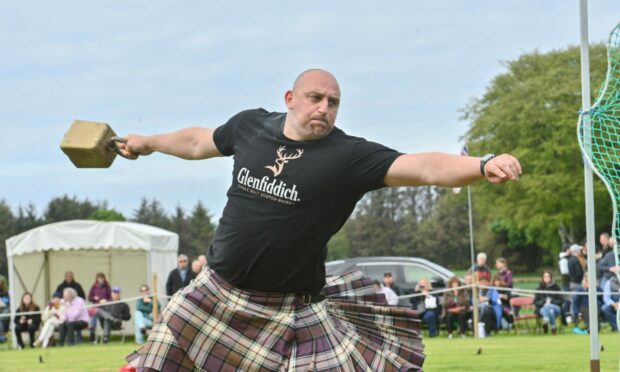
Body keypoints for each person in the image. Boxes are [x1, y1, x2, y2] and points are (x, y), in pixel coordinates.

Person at [119, 69, 521, 370]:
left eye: (333, 103)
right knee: (155, 363)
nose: (324, 109)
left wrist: (482, 164)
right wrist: (148, 143)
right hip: (215, 292)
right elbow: (196, 141)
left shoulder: (348, 157)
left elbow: (425, 167)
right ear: (290, 97)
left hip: (290, 308)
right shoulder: (251, 126)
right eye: (315, 98)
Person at [533, 270, 564, 335]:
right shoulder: (539, 289)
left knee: (548, 306)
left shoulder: (556, 288)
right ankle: (553, 329)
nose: (546, 278)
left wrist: (551, 302)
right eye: (545, 277)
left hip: (556, 308)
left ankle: (546, 319)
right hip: (542, 309)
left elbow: (561, 300)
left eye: (548, 276)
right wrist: (544, 302)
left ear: (551, 278)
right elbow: (535, 302)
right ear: (542, 278)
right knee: (550, 311)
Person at [88, 272, 112, 342]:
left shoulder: (107, 287)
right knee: (93, 320)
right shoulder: (93, 287)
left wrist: (106, 300)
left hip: (104, 308)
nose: (100, 280)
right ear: (97, 279)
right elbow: (89, 297)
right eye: (99, 278)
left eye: (102, 278)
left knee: (105, 320)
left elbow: (111, 298)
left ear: (104, 279)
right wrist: (94, 298)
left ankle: (105, 337)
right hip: (95, 306)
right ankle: (92, 336)